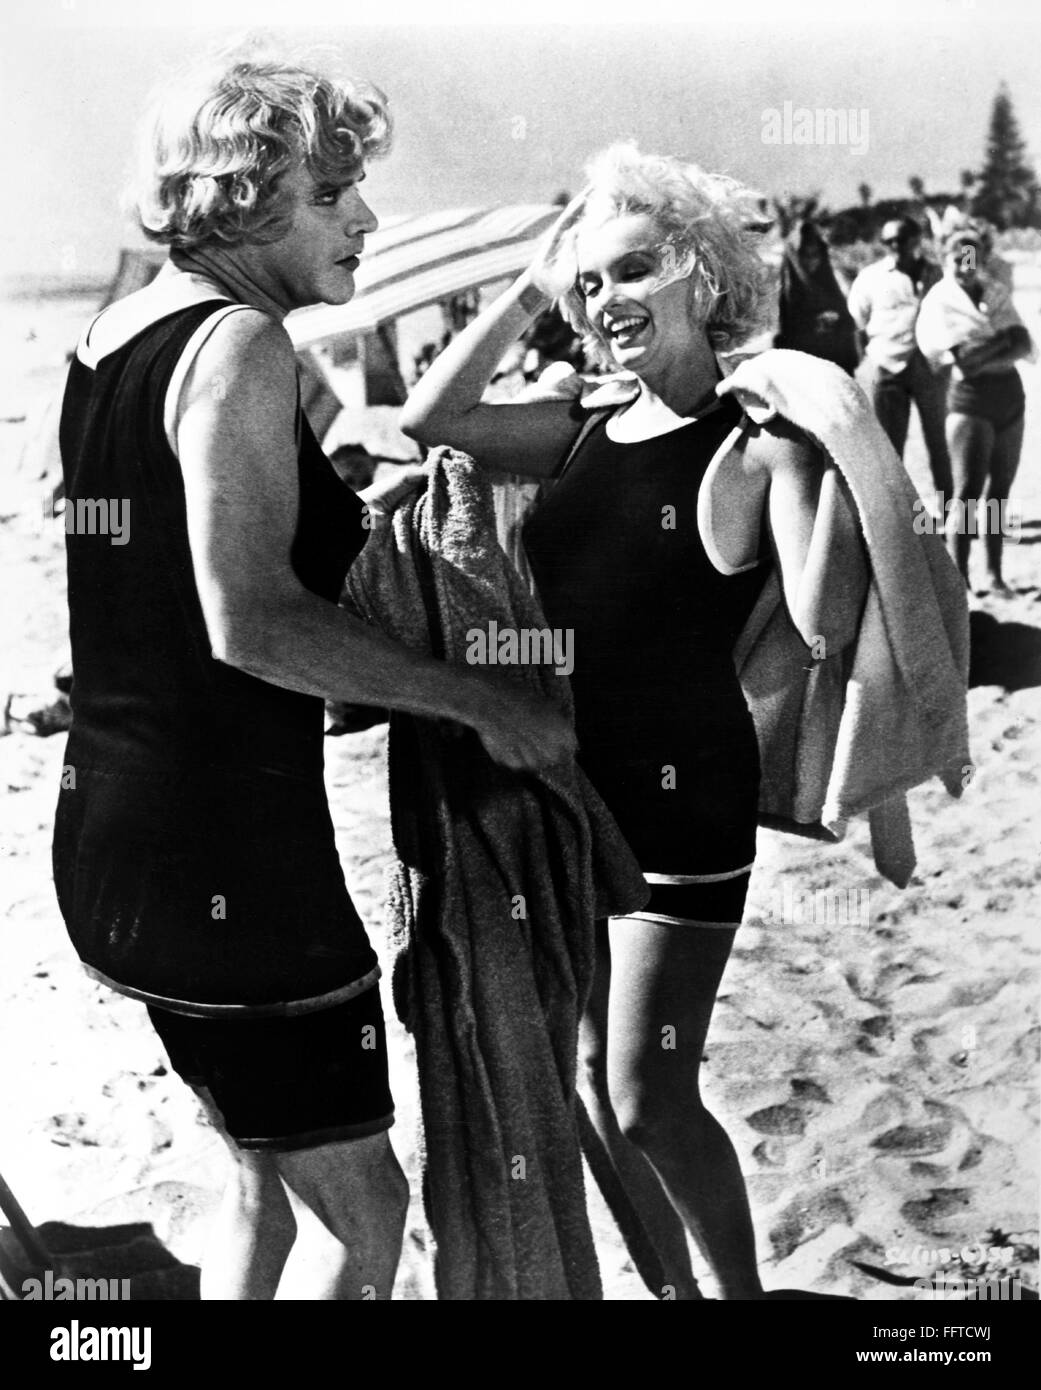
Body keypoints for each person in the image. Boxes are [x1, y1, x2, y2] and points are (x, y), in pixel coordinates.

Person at [52, 51, 574, 1302]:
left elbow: (161, 588)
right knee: (365, 1215)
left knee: (261, 1186)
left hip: (116, 833)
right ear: (240, 200)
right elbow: (250, 623)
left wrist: (369, 524)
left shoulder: (110, 336)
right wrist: (480, 698)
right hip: (230, 857)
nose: (368, 219)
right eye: (332, 194)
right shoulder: (240, 343)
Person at [401, 142, 868, 1299]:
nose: (606, 299)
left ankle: (738, 1297)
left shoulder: (755, 446)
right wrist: (531, 283)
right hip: (574, 795)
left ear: (702, 276)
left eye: (634, 270)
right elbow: (429, 416)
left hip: (684, 803)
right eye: (591, 281)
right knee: (594, 1088)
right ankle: (674, 1292)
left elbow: (822, 621)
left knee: (649, 1094)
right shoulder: (577, 426)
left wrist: (823, 452)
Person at [916, 225, 1035, 592]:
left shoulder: (995, 292)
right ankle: (960, 578)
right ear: (944, 259)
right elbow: (964, 363)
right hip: (971, 402)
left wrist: (992, 347)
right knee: (967, 494)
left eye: (972, 258)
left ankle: (995, 574)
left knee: (999, 492)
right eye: (958, 258)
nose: (966, 266)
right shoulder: (940, 301)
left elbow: (1023, 342)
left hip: (1010, 395)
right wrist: (1001, 342)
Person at [847, 216, 952, 494]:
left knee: (941, 443)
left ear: (918, 239)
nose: (895, 245)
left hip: (930, 368)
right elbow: (857, 324)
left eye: (902, 239)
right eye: (889, 240)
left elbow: (959, 304)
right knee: (890, 449)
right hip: (886, 367)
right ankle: (900, 515)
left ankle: (952, 513)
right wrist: (867, 363)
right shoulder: (870, 277)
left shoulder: (939, 274)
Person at [774, 220, 858, 374]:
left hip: (835, 369)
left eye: (815, 255)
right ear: (794, 257)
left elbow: (849, 329)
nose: (811, 262)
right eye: (805, 256)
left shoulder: (830, 285)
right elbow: (784, 338)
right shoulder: (784, 295)